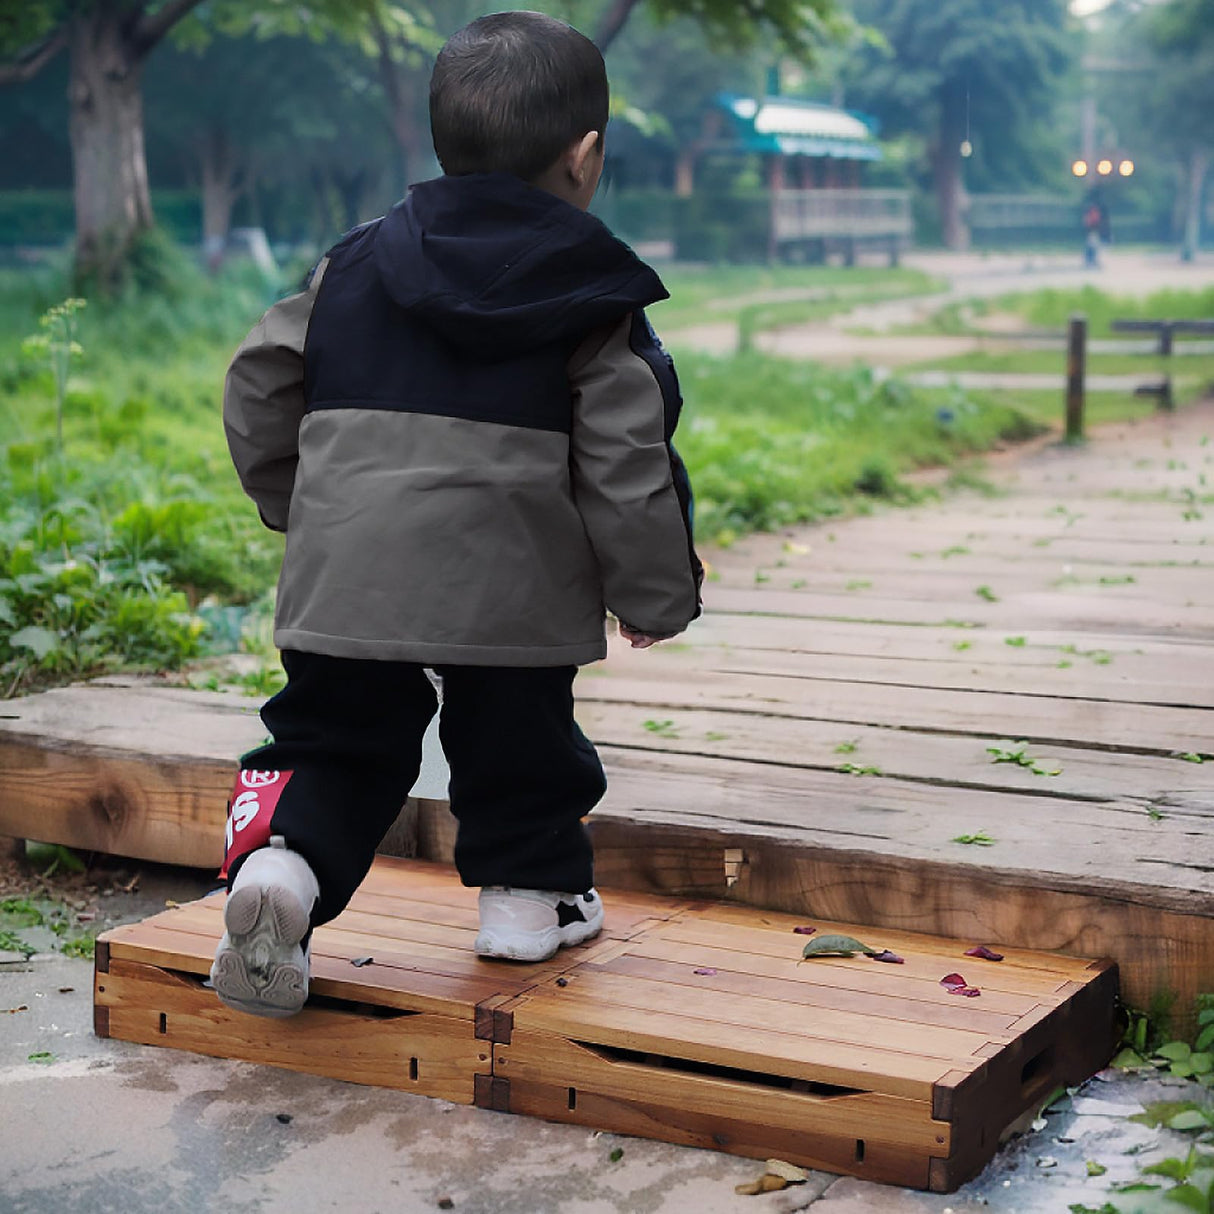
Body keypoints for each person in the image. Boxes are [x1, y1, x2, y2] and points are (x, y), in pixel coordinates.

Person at [210, 11, 703, 1018]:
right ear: (585, 157)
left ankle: (284, 868)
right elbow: (625, 456)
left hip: (348, 570)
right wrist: (654, 595)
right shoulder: (590, 294)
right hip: (512, 589)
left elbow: (259, 382)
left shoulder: (351, 265)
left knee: (337, 733)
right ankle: (528, 905)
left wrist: (299, 510)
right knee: (516, 734)